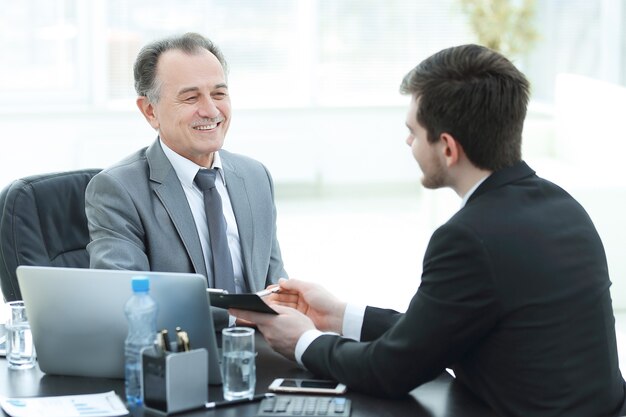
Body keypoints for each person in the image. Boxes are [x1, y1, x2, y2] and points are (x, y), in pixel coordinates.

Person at [231, 44, 626, 416]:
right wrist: (337, 314)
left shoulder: (469, 238)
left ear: (448, 148)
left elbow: (392, 371)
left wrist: (302, 341)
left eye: (414, 132)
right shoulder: (563, 207)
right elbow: (442, 330)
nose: (408, 142)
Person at [85, 33, 287, 329]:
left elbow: (275, 287)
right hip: (175, 356)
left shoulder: (255, 177)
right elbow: (125, 302)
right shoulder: (118, 190)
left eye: (219, 94)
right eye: (191, 97)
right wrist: (239, 315)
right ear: (150, 111)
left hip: (257, 353)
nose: (211, 110)